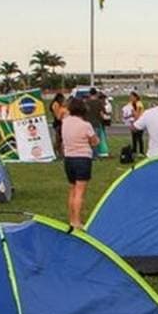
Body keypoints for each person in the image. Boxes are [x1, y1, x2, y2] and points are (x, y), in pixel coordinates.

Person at [62, 97, 99, 228]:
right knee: (80, 191)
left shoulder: (65, 122)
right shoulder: (86, 125)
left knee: (72, 189)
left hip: (68, 158)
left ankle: (71, 219)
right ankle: (77, 221)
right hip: (82, 158)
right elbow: (94, 142)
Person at [85, 88, 109, 158]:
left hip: (88, 124)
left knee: (89, 140)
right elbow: (102, 113)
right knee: (96, 140)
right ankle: (95, 155)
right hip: (96, 123)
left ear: (90, 93)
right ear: (96, 94)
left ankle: (89, 154)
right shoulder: (99, 102)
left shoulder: (86, 102)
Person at [49, 92, 66, 158]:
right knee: (58, 139)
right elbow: (57, 115)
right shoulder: (56, 104)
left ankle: (60, 153)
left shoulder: (57, 104)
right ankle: (55, 152)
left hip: (59, 122)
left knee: (60, 139)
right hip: (58, 123)